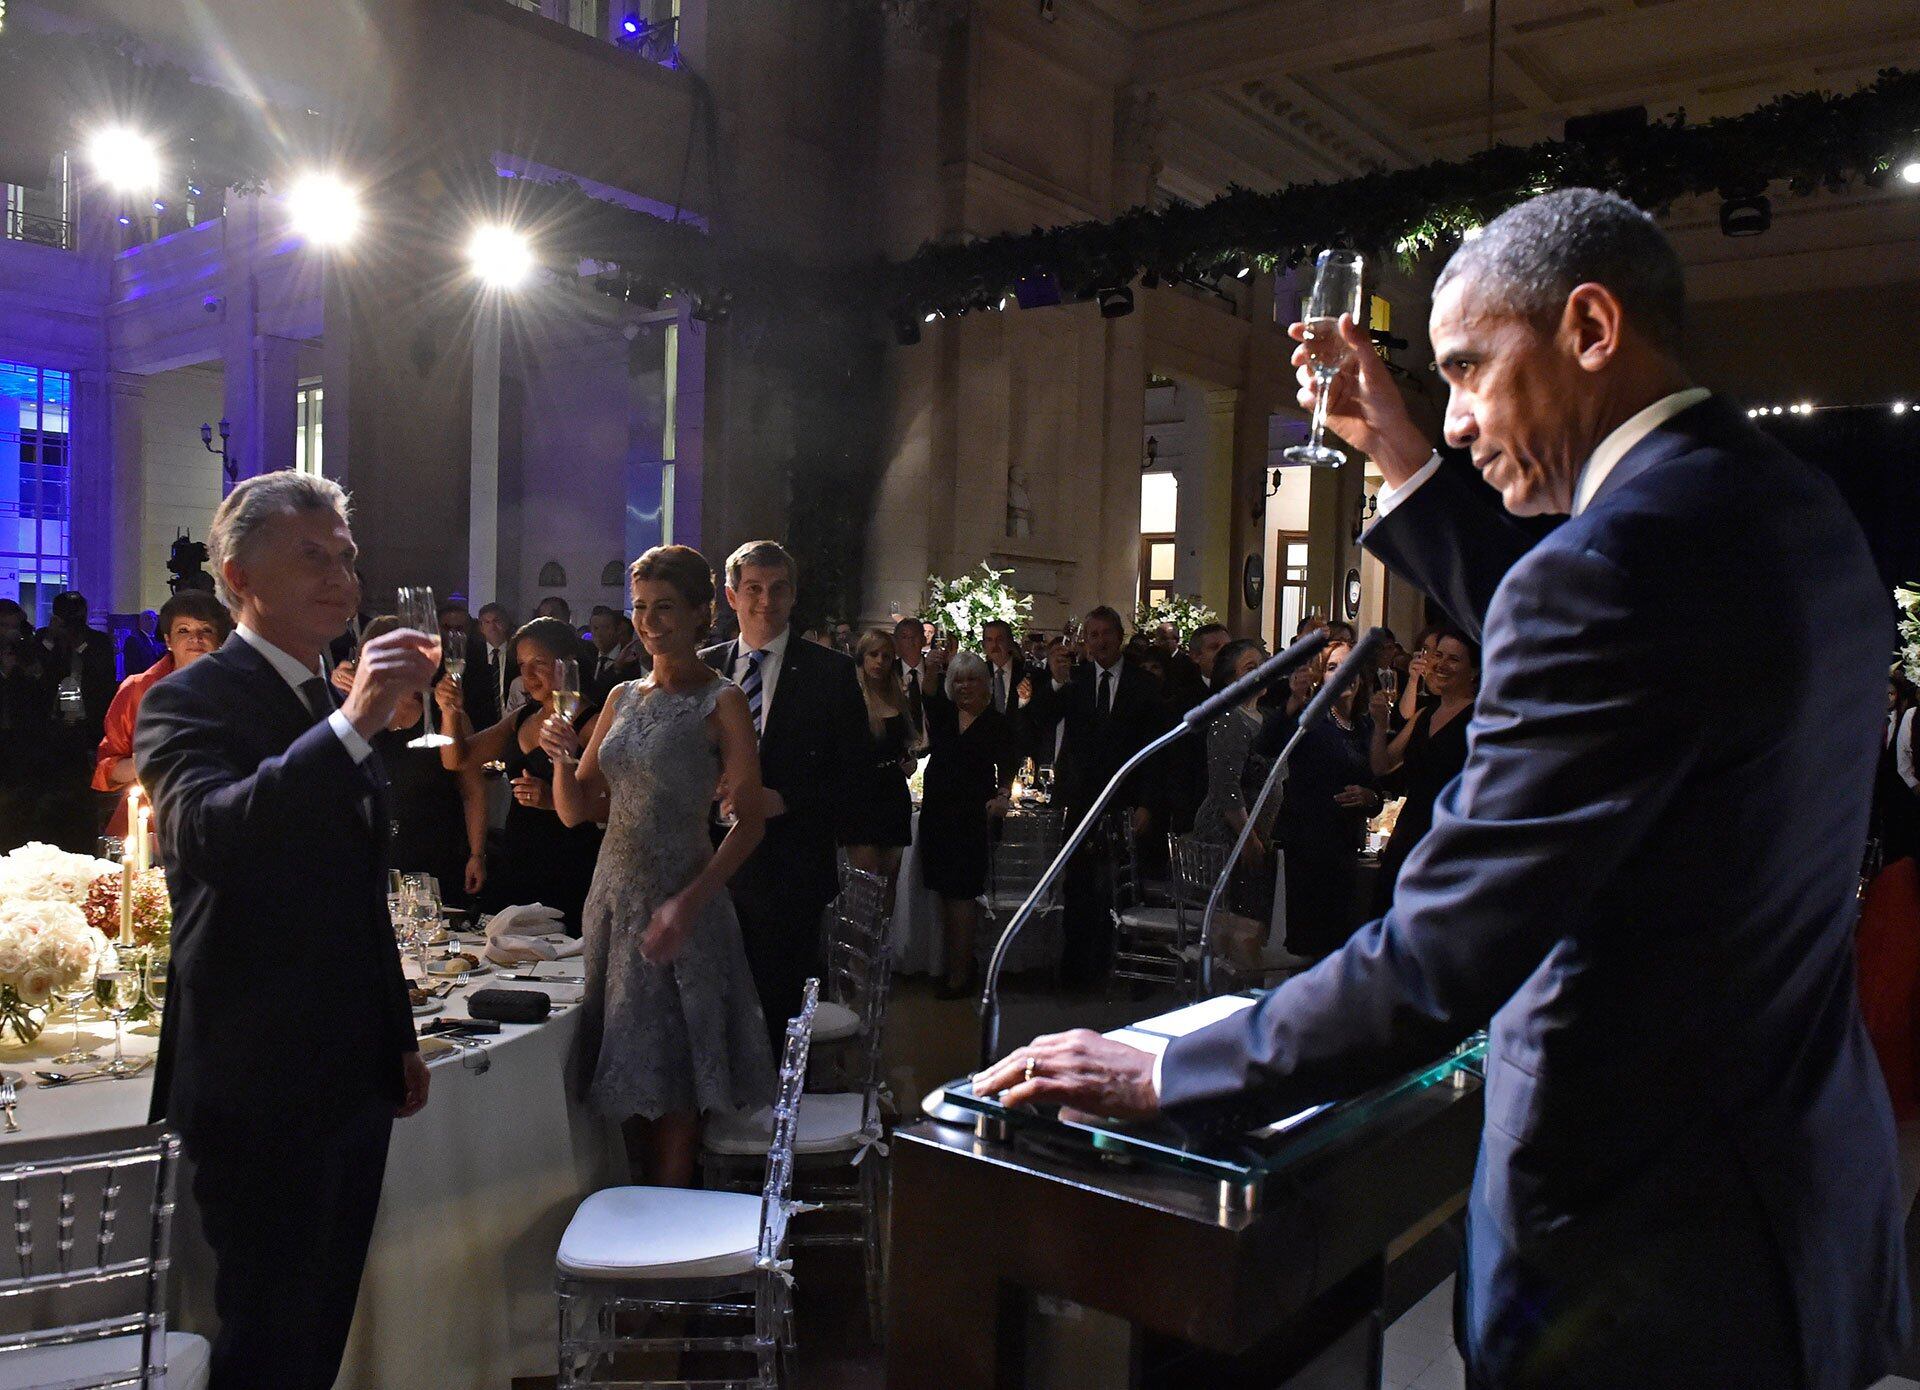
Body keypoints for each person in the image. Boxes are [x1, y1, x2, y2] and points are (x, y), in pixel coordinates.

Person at [975, 188, 1908, 1389]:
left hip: (1636, 1245)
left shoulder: (1617, 566)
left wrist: (1164, 1070)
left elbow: (1436, 959)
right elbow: (1600, 628)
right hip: (1784, 1199)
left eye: (1469, 372)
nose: (1458, 419)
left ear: (1589, 327)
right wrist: (1404, 455)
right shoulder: (1785, 506)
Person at [133, 470, 434, 1389]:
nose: (341, 576)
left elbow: (354, 893)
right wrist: (351, 724)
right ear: (238, 574)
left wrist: (398, 1035)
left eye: (345, 556)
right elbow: (208, 836)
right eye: (312, 556)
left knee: (320, 1322)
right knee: (266, 1330)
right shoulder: (191, 698)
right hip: (258, 1069)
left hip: (350, 1065)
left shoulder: (317, 701)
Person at [544, 545, 775, 1187]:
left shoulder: (721, 701)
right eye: (640, 607)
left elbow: (750, 822)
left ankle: (669, 1235)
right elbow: (577, 810)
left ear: (703, 614)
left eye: (664, 608)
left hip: (684, 904)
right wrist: (561, 757)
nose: (648, 622)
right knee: (624, 1072)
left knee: (675, 1084)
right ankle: (639, 1230)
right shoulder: (620, 696)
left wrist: (689, 903)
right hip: (613, 900)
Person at [701, 541, 868, 1047]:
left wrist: (784, 799)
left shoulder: (829, 674)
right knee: (710, 1009)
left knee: (774, 1017)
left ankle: (775, 1117)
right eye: (752, 588)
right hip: (705, 865)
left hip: (787, 873)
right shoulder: (703, 670)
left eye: (777, 589)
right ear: (731, 596)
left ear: (793, 597)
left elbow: (856, 778)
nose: (765, 601)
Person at [1023, 605, 1173, 986]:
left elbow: (1158, 751)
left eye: (1107, 633)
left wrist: (1149, 804)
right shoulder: (1074, 680)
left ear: (1120, 637)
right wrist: (1055, 682)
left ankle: (1126, 970)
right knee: (1078, 886)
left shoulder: (1144, 684)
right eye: (1093, 635)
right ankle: (1078, 971)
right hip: (1083, 801)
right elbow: (1038, 718)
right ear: (1085, 641)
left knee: (1124, 886)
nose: (1101, 641)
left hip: (1128, 800)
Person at [437, 616, 604, 932]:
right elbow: (456, 760)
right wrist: (450, 712)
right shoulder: (521, 718)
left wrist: (551, 800)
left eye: (538, 663)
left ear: (566, 664)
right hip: (520, 857)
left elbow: (610, 804)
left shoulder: (593, 723)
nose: (526, 675)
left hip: (570, 862)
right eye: (521, 664)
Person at [339, 615, 491, 904]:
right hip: (374, 858)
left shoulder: (444, 708)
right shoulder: (359, 710)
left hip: (438, 854)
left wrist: (476, 854)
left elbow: (472, 790)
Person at [1259, 639, 1380, 957]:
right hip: (1309, 845)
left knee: (1343, 939)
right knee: (1311, 942)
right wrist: (1294, 700)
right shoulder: (1311, 721)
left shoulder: (1364, 725)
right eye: (1332, 667)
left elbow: (1379, 785)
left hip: (1347, 845)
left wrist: (1369, 797)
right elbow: (1267, 745)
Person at [919, 651, 1019, 999]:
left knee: (962, 896)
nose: (964, 686)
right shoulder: (945, 715)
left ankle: (960, 975)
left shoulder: (996, 722)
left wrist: (1003, 797)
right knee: (947, 897)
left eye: (972, 679)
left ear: (986, 685)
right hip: (937, 817)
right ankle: (956, 967)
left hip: (971, 820)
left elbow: (1009, 766)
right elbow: (926, 694)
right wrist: (931, 665)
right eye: (958, 679)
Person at [92, 591, 230, 834]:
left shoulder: (238, 690)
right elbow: (107, 768)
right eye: (183, 630)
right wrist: (152, 759)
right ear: (168, 640)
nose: (195, 639)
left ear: (220, 639)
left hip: (218, 818)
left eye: (205, 630)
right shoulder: (137, 689)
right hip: (148, 824)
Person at [1367, 624, 1477, 905]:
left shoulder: (1480, 719)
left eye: (1453, 659)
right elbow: (1382, 766)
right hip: (1410, 832)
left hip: (1449, 838)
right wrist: (1380, 726)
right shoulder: (1425, 715)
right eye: (1438, 655)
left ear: (1474, 670)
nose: (1441, 664)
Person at [1189, 637, 1277, 950]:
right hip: (1230, 835)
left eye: (1264, 666)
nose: (1261, 673)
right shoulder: (1229, 720)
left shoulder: (1265, 718)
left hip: (1256, 832)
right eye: (1251, 668)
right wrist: (1248, 839)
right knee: (1234, 923)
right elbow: (1226, 787)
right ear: (1231, 679)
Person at [842, 628, 915, 888]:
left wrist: (908, 761)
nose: (880, 662)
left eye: (886, 656)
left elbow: (905, 745)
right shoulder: (850, 698)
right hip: (860, 794)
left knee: (888, 883)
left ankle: (885, 930)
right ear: (862, 656)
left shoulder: (896, 696)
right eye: (874, 654)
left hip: (892, 792)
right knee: (866, 883)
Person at [465, 601, 515, 730]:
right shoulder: (471, 657)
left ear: (506, 623)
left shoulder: (517, 653)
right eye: (487, 622)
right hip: (482, 727)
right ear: (481, 628)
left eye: (496, 621)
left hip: (514, 724)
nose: (492, 626)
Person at [894, 615, 933, 745]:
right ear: (897, 642)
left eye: (914, 636)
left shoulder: (935, 672)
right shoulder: (890, 673)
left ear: (923, 640)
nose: (910, 641)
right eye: (904, 637)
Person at [122, 609, 166, 676]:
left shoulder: (158, 642)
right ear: (141, 622)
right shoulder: (133, 640)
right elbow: (133, 666)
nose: (152, 621)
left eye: (155, 619)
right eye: (149, 618)